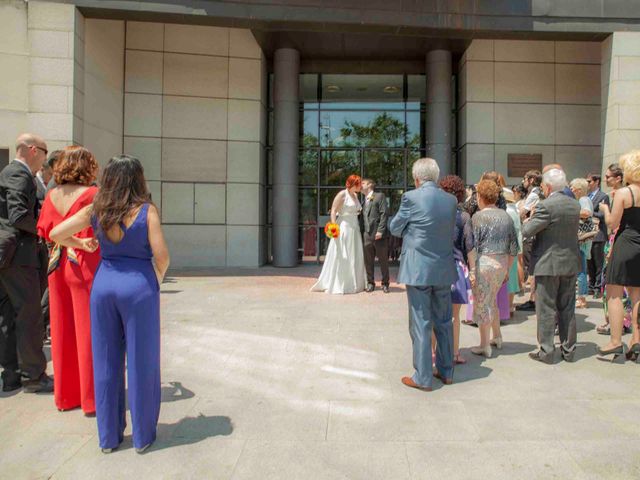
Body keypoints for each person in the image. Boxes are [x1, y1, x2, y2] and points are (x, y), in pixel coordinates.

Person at [50, 155, 169, 453]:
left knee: (105, 362)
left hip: (103, 285)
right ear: (137, 178)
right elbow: (163, 256)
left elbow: (55, 234)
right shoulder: (146, 211)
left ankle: (109, 439)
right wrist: (154, 278)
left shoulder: (96, 209)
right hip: (138, 286)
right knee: (142, 362)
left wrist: (80, 243)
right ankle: (142, 437)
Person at [37, 146, 100, 415]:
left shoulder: (51, 195)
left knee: (61, 330)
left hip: (56, 263)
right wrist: (79, 242)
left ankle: (65, 396)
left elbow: (45, 232)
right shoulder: (92, 195)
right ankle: (90, 399)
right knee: (88, 332)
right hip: (84, 261)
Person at [390, 158, 457, 391]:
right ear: (436, 176)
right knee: (444, 321)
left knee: (421, 323)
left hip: (418, 268)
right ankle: (447, 371)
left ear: (416, 179)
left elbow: (395, 227)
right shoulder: (451, 200)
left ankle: (423, 377)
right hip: (444, 268)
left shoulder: (410, 197)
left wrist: (411, 228)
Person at [0, 133, 53, 393]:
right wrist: (46, 229)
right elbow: (19, 214)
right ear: (33, 150)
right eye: (44, 153)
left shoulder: (8, 173)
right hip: (19, 256)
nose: (44, 162)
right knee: (30, 314)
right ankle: (33, 375)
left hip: (7, 256)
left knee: (8, 316)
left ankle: (11, 376)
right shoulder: (19, 174)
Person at [522, 169, 581, 364]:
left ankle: (546, 351)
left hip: (548, 263)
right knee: (567, 308)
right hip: (570, 262)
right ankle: (569, 350)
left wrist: (527, 218)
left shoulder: (545, 206)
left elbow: (528, 231)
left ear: (547, 187)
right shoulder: (575, 204)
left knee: (546, 308)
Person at [468, 180, 518, 358]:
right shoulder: (506, 216)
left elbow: (471, 247)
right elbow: (514, 247)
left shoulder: (477, 217)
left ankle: (484, 345)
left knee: (482, 303)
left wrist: (472, 270)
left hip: (484, 263)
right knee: (493, 300)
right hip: (502, 263)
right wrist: (507, 269)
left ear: (480, 196)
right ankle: (497, 336)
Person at [599, 151, 640, 362]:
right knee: (637, 295)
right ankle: (636, 339)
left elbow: (612, 223)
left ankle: (615, 341)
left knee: (614, 293)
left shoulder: (625, 193)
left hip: (625, 244)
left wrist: (606, 209)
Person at [439, 175, 474, 365]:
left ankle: (434, 354)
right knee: (454, 316)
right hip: (456, 268)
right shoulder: (464, 216)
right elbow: (469, 246)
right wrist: (474, 271)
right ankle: (453, 354)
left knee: (435, 313)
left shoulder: (435, 214)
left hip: (436, 267)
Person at [311, 175, 366, 294]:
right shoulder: (342, 194)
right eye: (359, 184)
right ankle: (340, 283)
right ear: (353, 184)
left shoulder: (355, 196)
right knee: (343, 254)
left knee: (354, 254)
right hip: (344, 227)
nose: (360, 186)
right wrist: (334, 226)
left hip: (354, 228)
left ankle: (355, 283)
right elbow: (334, 210)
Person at [598, 163, 628, 335]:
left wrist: (605, 209)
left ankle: (617, 323)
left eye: (608, 176)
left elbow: (615, 224)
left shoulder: (619, 195)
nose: (606, 179)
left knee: (613, 286)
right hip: (616, 240)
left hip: (616, 240)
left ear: (618, 178)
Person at [361, 178, 390, 293]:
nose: (360, 185)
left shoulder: (379, 196)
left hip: (378, 234)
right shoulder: (363, 201)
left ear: (369, 185)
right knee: (368, 261)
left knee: (383, 260)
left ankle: (385, 283)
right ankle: (370, 283)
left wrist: (380, 231)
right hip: (367, 235)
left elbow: (384, 213)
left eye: (363, 183)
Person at [570, 178, 594, 309]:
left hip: (581, 239)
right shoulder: (584, 199)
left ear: (579, 189)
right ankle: (581, 297)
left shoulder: (583, 200)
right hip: (582, 239)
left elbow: (586, 213)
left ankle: (582, 298)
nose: (571, 189)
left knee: (581, 269)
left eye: (572, 187)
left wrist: (571, 212)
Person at [586, 173, 609, 298]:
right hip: (588, 234)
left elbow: (603, 215)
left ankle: (597, 288)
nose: (588, 183)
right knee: (589, 262)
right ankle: (591, 285)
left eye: (589, 181)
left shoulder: (603, 196)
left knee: (598, 262)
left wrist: (589, 212)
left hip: (599, 234)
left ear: (596, 182)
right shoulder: (587, 196)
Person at [504, 189, 523, 315]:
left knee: (508, 278)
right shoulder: (514, 211)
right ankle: (510, 306)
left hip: (507, 248)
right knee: (512, 278)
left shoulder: (507, 211)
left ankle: (508, 306)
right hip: (515, 245)